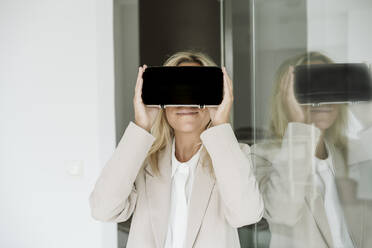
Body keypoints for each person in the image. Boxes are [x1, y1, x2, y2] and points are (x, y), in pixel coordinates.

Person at [89, 51, 264, 248]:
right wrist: (141, 126)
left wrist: (220, 123)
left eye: (197, 89)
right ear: (163, 98)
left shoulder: (234, 156)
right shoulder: (142, 160)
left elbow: (246, 214)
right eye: (177, 90)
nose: (187, 101)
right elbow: (103, 209)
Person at [252, 52, 364, 248]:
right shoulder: (262, 156)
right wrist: (298, 124)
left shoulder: (350, 155)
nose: (322, 98)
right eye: (310, 88)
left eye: (330, 86)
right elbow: (283, 212)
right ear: (286, 96)